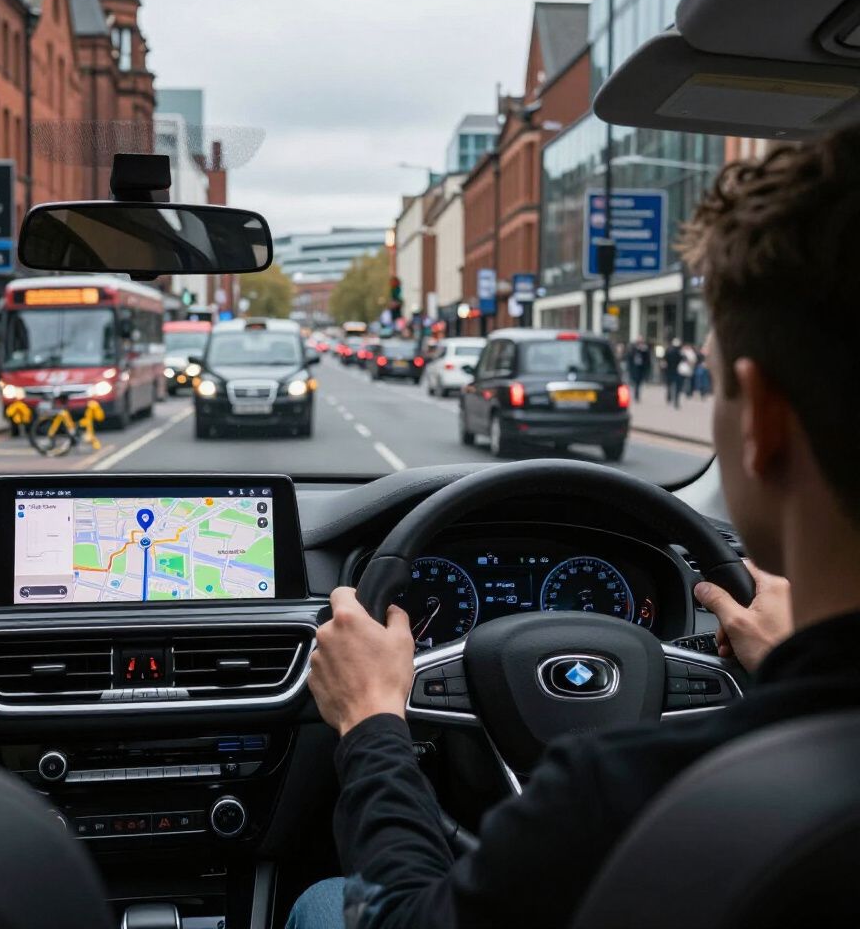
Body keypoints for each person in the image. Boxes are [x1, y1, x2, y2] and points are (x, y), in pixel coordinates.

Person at [289, 127, 860, 928]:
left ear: (762, 419)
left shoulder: (617, 799)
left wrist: (374, 722)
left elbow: (404, 917)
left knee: (321, 901)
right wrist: (793, 667)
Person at [626, 335, 651, 402]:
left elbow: (647, 359)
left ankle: (637, 394)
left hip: (641, 368)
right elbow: (629, 357)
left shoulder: (645, 348)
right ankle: (636, 394)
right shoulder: (633, 347)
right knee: (635, 382)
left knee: (639, 382)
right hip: (635, 368)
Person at [663, 336, 683, 407]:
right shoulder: (679, 352)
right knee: (676, 387)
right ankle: (675, 400)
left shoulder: (669, 350)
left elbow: (664, 360)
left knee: (670, 385)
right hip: (676, 371)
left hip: (670, 371)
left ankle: (670, 397)